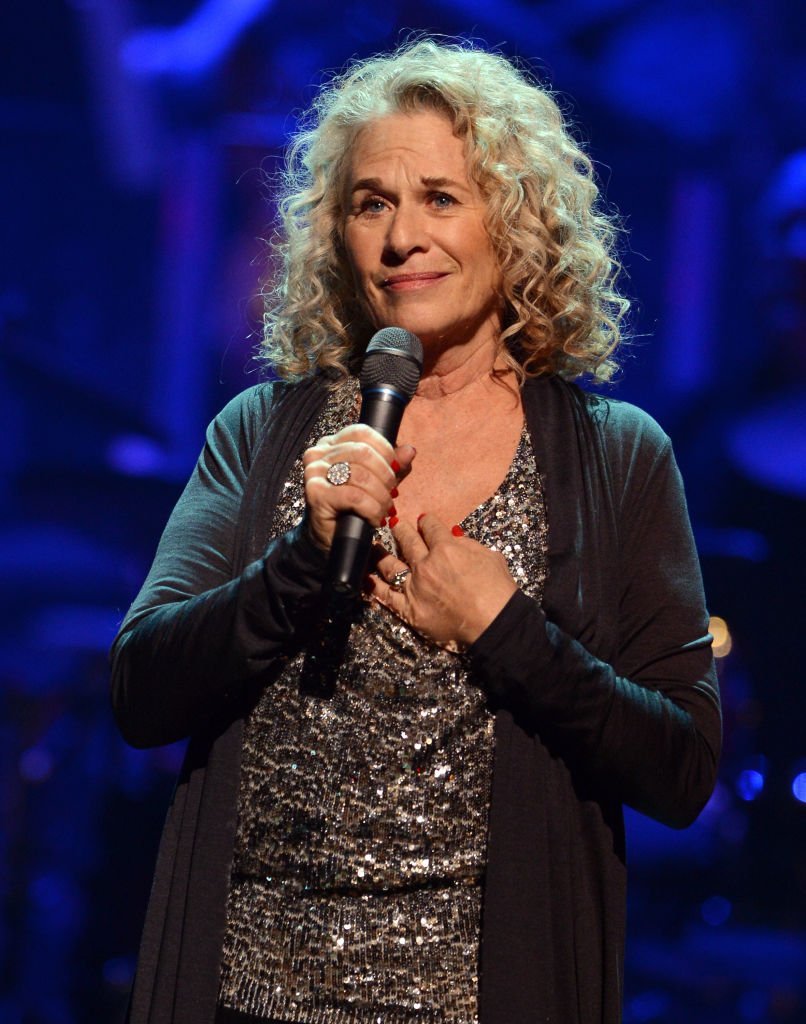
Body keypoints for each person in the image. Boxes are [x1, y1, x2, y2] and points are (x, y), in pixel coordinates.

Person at [110, 38, 721, 1024]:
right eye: (370, 203)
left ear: (514, 222)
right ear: (335, 235)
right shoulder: (263, 434)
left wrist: (503, 629)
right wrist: (301, 561)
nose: (402, 237)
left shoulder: (617, 457)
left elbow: (679, 767)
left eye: (441, 197)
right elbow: (141, 690)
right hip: (246, 997)